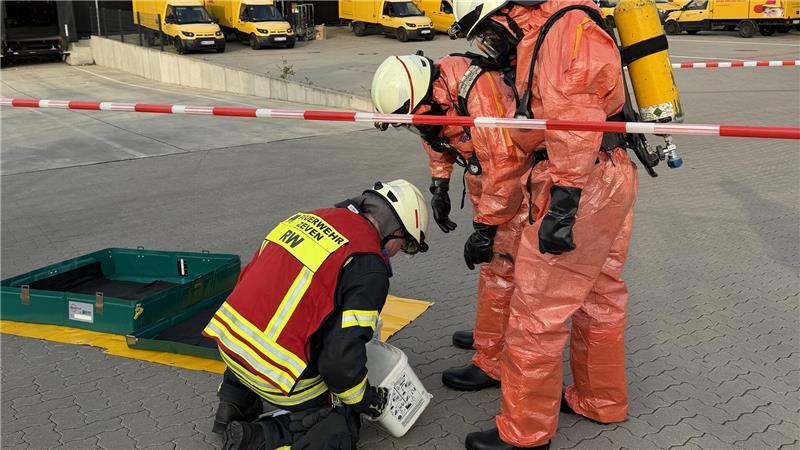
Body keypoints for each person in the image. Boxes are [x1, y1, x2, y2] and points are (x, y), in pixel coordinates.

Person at [452, 0, 639, 448]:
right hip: (605, 172)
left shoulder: (560, 30)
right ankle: (601, 400)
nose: (491, 45)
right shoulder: (561, 26)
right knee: (600, 295)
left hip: (579, 181)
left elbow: (573, 118)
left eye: (490, 30)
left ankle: (525, 434)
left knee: (536, 311)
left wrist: (564, 202)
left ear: (506, 10)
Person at [202, 179, 430, 450]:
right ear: (395, 231)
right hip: (277, 373)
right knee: (340, 427)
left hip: (231, 347)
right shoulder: (368, 265)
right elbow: (338, 364)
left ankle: (231, 405)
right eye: (405, 245)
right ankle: (261, 437)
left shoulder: (309, 218)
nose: (399, 252)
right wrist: (366, 399)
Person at [371, 53, 533, 391]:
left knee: (503, 271)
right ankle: (489, 336)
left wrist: (486, 228)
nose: (412, 124)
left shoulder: (475, 89)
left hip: (514, 192)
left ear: (423, 96)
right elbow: (436, 138)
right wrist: (440, 187)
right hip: (489, 187)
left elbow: (507, 165)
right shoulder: (432, 97)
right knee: (492, 271)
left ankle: (493, 364)